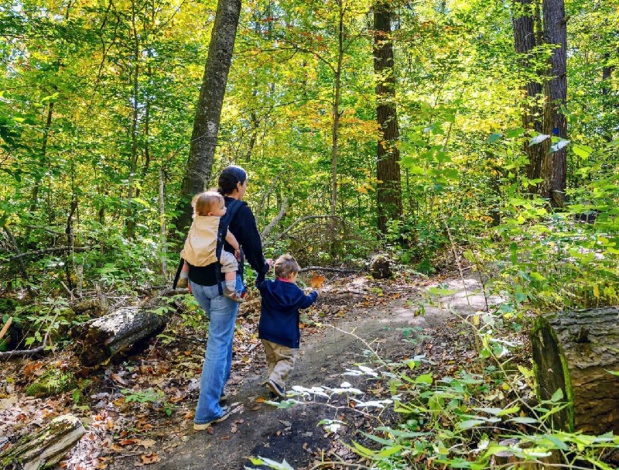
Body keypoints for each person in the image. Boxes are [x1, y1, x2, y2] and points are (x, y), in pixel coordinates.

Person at [190, 166, 270, 431]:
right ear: (237, 185)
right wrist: (263, 269)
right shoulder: (239, 209)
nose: (245, 187)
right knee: (218, 341)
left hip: (197, 281)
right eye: (245, 183)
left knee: (220, 336)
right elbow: (253, 244)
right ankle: (206, 412)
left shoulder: (207, 205)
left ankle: (218, 392)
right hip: (223, 283)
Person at [257, 254, 318, 399]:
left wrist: (262, 270)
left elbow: (259, 282)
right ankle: (275, 381)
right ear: (291, 274)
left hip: (266, 333)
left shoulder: (268, 286)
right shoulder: (295, 291)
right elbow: (306, 302)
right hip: (284, 335)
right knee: (286, 360)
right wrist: (315, 293)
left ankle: (275, 390)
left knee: (272, 360)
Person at [178, 191, 244, 303]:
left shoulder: (196, 219)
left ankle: (183, 278)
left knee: (185, 257)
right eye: (222, 208)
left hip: (193, 252)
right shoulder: (218, 223)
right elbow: (230, 238)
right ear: (211, 214)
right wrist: (237, 248)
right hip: (210, 253)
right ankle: (230, 289)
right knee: (231, 262)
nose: (225, 209)